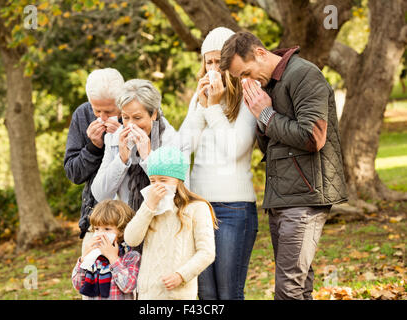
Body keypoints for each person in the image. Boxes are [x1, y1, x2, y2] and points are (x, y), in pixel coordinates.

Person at [220, 31, 348, 300]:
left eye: (245, 73)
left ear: (260, 53)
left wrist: (266, 114)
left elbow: (313, 136)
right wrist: (261, 117)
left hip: (306, 195)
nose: (245, 82)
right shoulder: (268, 85)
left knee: (288, 289)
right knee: (299, 287)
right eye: (240, 78)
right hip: (281, 197)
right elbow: (272, 147)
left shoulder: (303, 74)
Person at [179, 27, 258, 300]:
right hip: (199, 207)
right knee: (205, 294)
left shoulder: (250, 94)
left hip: (234, 208)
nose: (213, 68)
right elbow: (182, 147)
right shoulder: (199, 99)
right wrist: (201, 108)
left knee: (228, 293)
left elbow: (235, 149)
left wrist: (213, 108)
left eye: (219, 62)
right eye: (208, 62)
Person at [123, 146, 216, 300]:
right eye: (153, 181)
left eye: (164, 180)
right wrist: (148, 207)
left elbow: (206, 252)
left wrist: (181, 275)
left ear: (178, 180)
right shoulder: (150, 207)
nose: (157, 185)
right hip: (147, 295)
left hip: (177, 295)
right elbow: (131, 239)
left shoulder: (197, 208)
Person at [91, 79, 190, 212]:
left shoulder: (176, 142)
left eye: (137, 118)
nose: (131, 125)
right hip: (127, 225)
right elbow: (100, 195)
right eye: (126, 118)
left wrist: (148, 158)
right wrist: (121, 159)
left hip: (162, 224)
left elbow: (180, 196)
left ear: (154, 114)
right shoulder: (114, 139)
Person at [64, 68, 124, 246]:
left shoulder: (141, 111)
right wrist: (93, 148)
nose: (103, 118)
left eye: (109, 111)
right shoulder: (83, 115)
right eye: (97, 111)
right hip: (98, 221)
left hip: (135, 219)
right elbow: (73, 173)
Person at [71, 199, 141, 300]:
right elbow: (78, 285)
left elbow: (128, 286)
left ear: (121, 230)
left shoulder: (130, 256)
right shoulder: (93, 257)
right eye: (97, 229)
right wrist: (84, 259)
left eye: (107, 229)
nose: (100, 234)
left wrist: (113, 259)